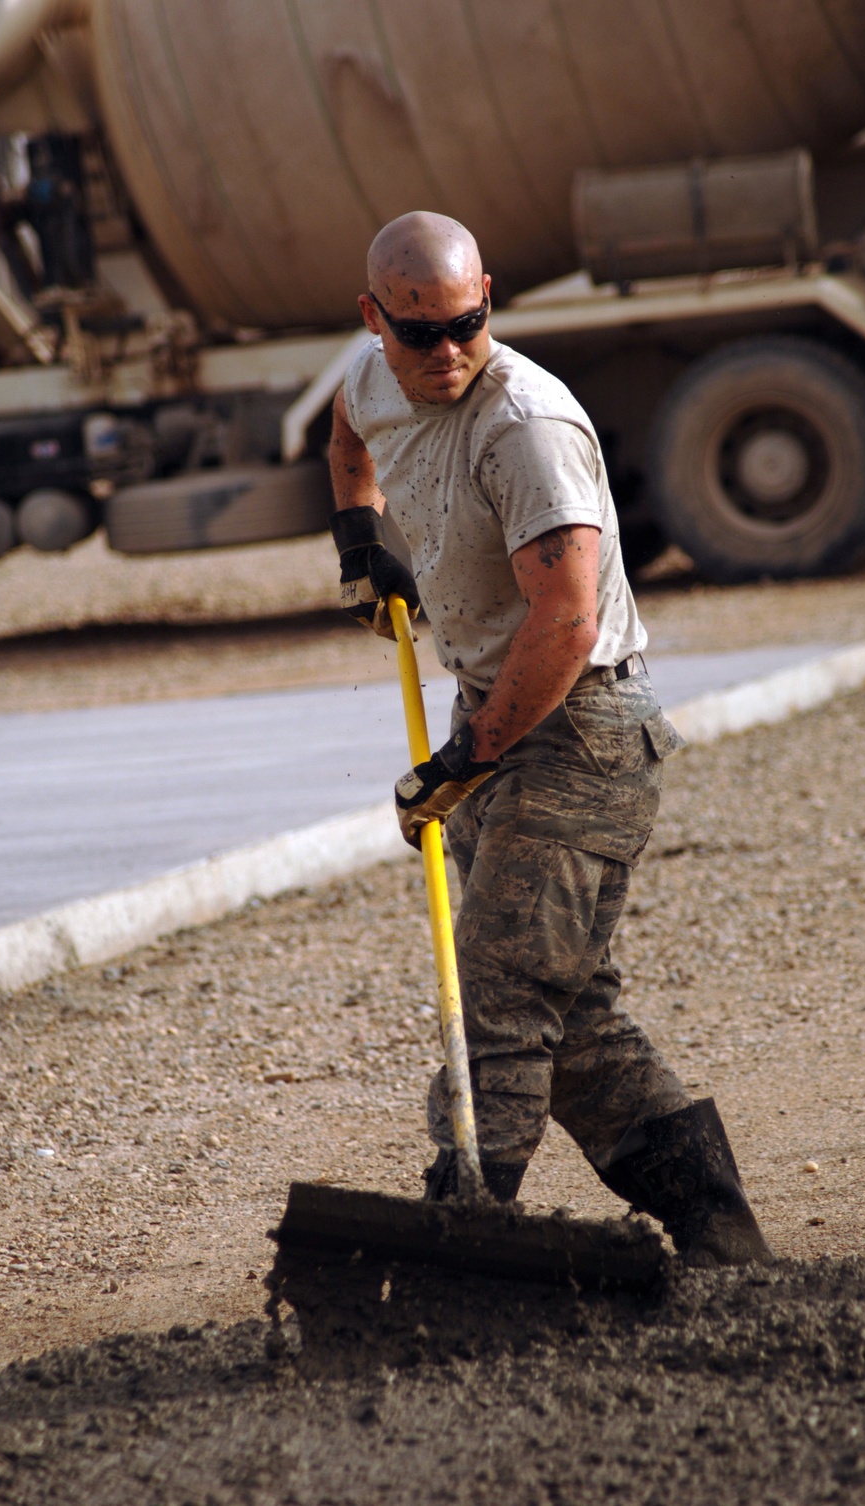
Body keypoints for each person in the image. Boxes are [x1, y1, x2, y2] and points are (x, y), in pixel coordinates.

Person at [329, 211, 772, 1266]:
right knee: (570, 1024)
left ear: (489, 294)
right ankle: (720, 1234)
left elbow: (567, 620)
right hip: (493, 714)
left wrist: (463, 761)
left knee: (499, 991)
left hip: (577, 729)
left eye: (468, 324)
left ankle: (463, 1243)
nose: (446, 353)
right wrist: (362, 539)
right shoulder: (372, 373)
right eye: (419, 331)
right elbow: (349, 434)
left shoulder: (523, 425)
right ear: (374, 318)